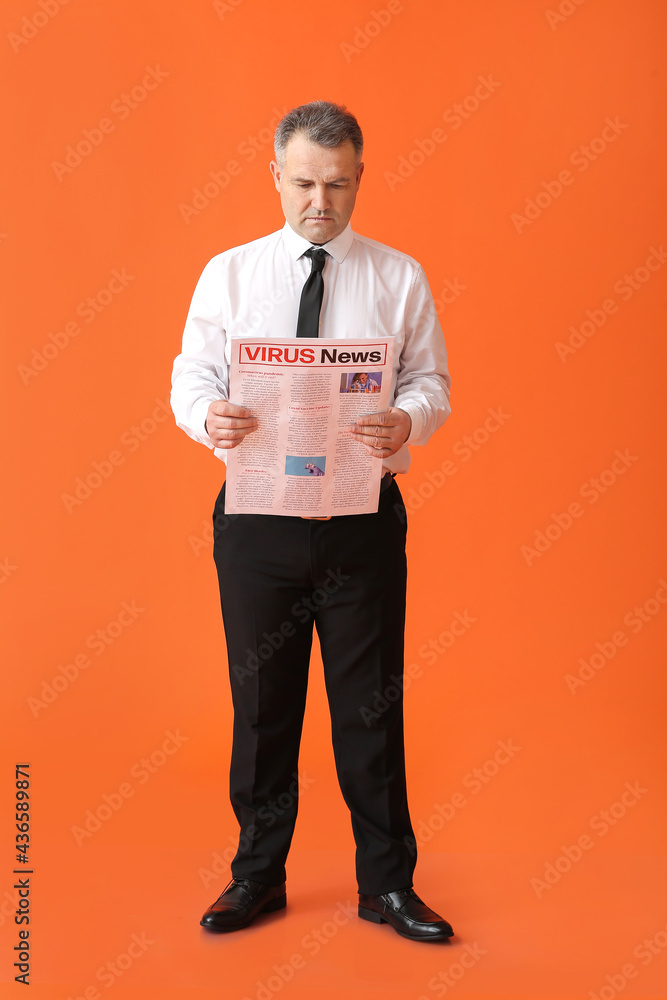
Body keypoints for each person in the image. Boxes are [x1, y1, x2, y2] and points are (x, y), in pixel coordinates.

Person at [170, 101, 453, 942]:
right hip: (257, 523)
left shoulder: (398, 277)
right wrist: (205, 414)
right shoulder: (228, 274)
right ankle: (256, 876)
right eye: (301, 183)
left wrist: (407, 421)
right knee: (261, 707)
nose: (318, 202)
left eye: (335, 184)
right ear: (275, 176)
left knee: (369, 707)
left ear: (359, 177)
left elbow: (431, 383)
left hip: (360, 519)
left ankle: (387, 886)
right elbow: (190, 373)